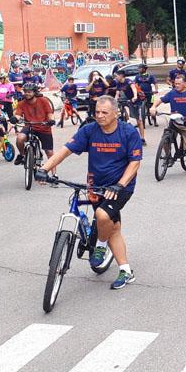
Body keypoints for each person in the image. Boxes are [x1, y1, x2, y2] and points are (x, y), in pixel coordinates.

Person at [40, 96, 142, 290]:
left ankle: (100, 247)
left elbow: (134, 163)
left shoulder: (128, 132)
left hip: (120, 187)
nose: (100, 116)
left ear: (116, 113)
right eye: (97, 112)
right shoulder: (89, 130)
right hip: (95, 185)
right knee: (114, 227)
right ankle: (126, 271)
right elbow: (66, 150)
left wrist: (119, 185)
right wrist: (45, 169)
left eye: (105, 112)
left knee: (102, 215)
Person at [152, 76, 186, 175]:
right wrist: (153, 107)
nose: (176, 85)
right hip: (174, 122)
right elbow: (161, 100)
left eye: (179, 84)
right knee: (165, 138)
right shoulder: (172, 93)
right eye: (175, 83)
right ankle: (168, 157)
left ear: (184, 83)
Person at [13, 82, 57, 169]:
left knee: (49, 152)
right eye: (25, 91)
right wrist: (15, 119)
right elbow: (18, 115)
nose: (27, 93)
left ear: (35, 92)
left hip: (44, 127)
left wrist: (51, 120)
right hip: (29, 126)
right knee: (20, 138)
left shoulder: (43, 101)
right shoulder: (21, 103)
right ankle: (22, 155)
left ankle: (54, 174)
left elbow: (49, 113)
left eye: (29, 92)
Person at [133, 64, 157, 141]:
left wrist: (155, 90)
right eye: (139, 68)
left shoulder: (150, 76)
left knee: (151, 107)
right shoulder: (137, 77)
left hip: (149, 93)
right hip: (141, 93)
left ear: (144, 69)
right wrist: (136, 92)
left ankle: (154, 120)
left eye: (140, 68)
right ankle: (140, 122)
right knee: (140, 107)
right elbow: (135, 85)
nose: (139, 69)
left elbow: (155, 84)